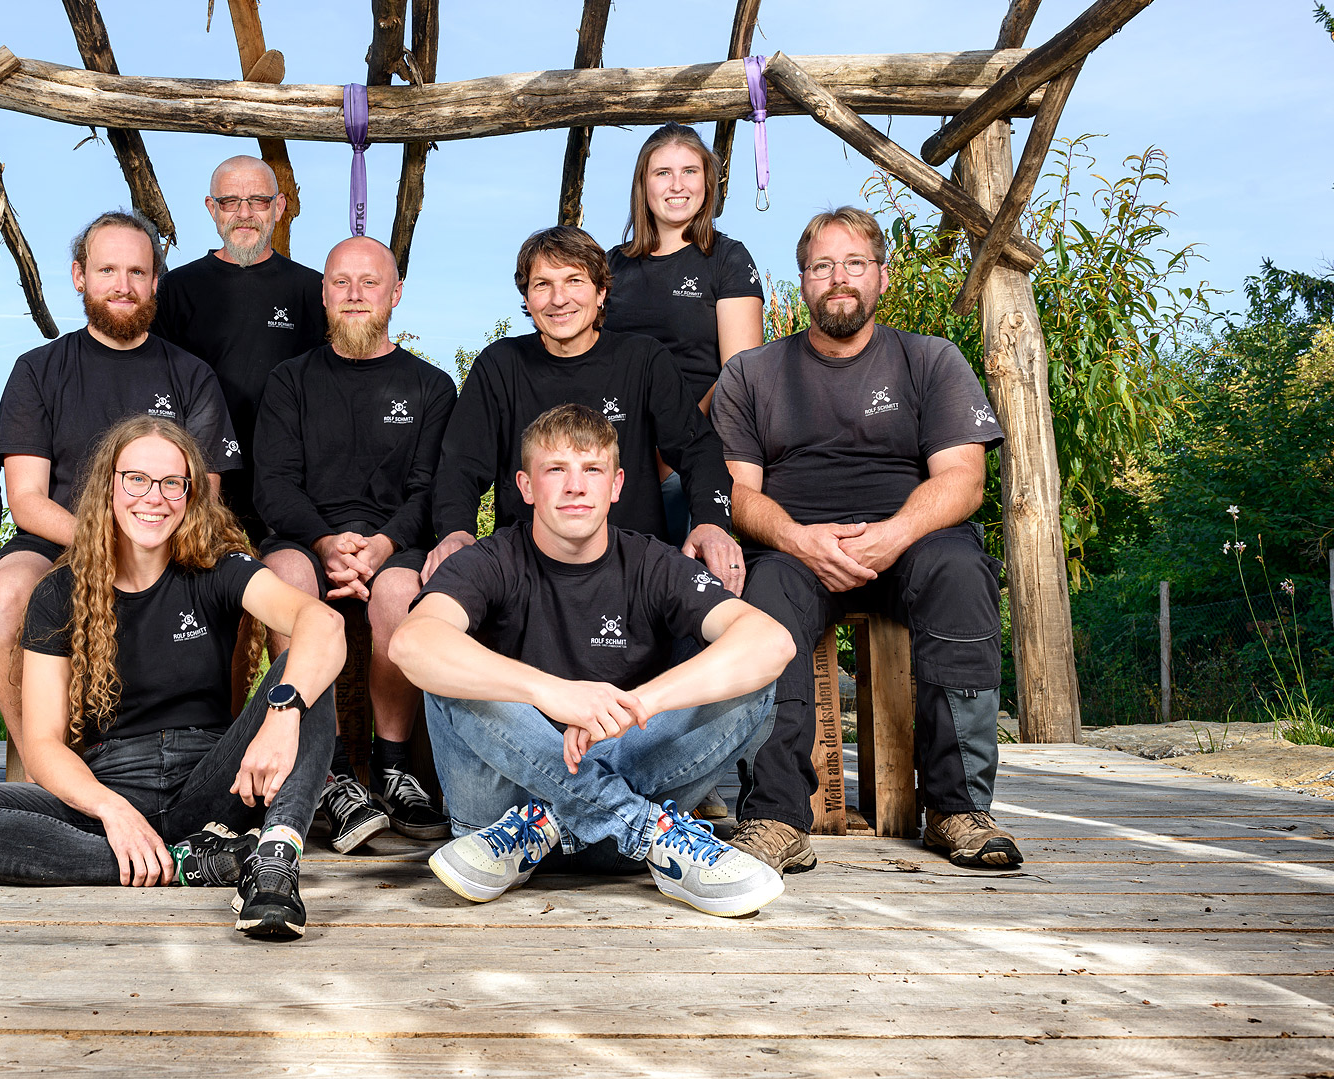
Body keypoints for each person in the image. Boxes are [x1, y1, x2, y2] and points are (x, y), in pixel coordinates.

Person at [0, 415, 345, 942]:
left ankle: (273, 865)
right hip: (110, 787)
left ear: (190, 495)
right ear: (109, 487)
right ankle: (188, 866)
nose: (154, 497)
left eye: (171, 483)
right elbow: (43, 743)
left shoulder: (219, 569)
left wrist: (280, 717)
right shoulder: (59, 592)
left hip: (212, 784)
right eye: (136, 479)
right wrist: (111, 810)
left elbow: (322, 623)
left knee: (304, 670)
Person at [709, 206, 1020, 873]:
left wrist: (895, 534)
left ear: (883, 277)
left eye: (854, 264)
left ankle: (958, 808)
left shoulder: (930, 359)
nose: (838, 279)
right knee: (758, 596)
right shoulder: (753, 375)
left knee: (963, 574)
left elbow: (963, 482)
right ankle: (773, 817)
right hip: (796, 552)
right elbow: (736, 493)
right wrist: (797, 538)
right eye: (822, 266)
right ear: (802, 282)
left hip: (914, 543)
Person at [391, 404, 795, 916]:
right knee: (447, 669)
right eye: (556, 469)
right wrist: (548, 691)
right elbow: (411, 642)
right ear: (526, 486)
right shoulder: (489, 560)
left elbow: (771, 641)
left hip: (531, 844)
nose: (575, 486)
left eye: (592, 470)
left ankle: (558, 819)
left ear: (617, 484)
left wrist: (640, 704)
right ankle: (648, 829)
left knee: (753, 680)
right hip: (499, 818)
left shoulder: (652, 561)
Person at [0, 210, 242, 756]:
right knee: (8, 592)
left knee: (236, 585)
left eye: (137, 272)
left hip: (165, 540)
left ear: (155, 281)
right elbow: (27, 501)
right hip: (60, 539)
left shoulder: (192, 375)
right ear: (80, 276)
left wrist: (142, 545)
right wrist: (102, 543)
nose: (122, 286)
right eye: (107, 271)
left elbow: (206, 493)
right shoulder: (38, 370)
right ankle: (42, 767)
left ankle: (211, 752)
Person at [252, 236, 457, 851]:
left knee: (398, 590)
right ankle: (332, 771)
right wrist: (322, 542)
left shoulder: (431, 386)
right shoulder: (290, 381)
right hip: (305, 542)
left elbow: (430, 490)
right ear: (323, 295)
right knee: (285, 579)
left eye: (370, 283)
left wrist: (382, 545)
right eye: (341, 282)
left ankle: (392, 766)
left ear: (395, 294)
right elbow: (274, 483)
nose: (355, 294)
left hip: (396, 545)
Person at [424, 226, 743, 591]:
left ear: (601, 292)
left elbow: (697, 450)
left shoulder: (643, 359)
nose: (559, 299)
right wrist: (456, 532)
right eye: (542, 285)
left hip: (631, 570)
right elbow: (459, 466)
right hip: (525, 573)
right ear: (526, 298)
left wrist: (712, 523)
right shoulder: (499, 365)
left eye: (574, 280)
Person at [604, 123, 766, 575]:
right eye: (662, 173)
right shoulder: (611, 266)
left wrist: (667, 451)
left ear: (708, 183)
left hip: (694, 452)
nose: (677, 185)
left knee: (685, 591)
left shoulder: (727, 258)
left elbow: (738, 373)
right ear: (643, 184)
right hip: (615, 454)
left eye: (690, 171)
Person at [155, 155, 329, 536]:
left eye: (259, 201)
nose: (244, 213)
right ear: (211, 208)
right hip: (198, 484)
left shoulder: (312, 290)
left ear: (279, 207)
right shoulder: (176, 290)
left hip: (292, 484)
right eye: (231, 201)